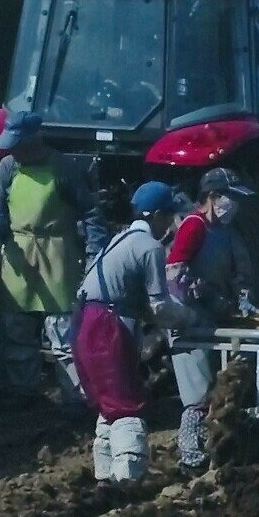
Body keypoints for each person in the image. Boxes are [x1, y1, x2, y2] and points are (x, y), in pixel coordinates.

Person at [74, 182, 189, 481]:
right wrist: (189, 317)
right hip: (106, 325)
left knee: (109, 404)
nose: (170, 224)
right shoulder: (149, 247)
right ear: (159, 215)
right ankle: (128, 482)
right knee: (126, 407)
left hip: (83, 321)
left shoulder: (118, 240)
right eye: (169, 217)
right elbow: (159, 306)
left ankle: (105, 480)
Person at [0, 116, 96, 404]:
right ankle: (23, 391)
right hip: (18, 257)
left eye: (17, 146)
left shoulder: (64, 168)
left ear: (34, 142)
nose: (13, 152)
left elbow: (90, 213)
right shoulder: (8, 168)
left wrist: (95, 251)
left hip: (58, 255)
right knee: (16, 329)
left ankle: (75, 398)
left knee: (63, 331)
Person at [162, 168, 255, 471]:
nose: (235, 206)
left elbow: (240, 268)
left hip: (215, 319)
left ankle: (214, 444)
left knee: (219, 387)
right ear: (213, 197)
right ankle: (190, 453)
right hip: (189, 319)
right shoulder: (194, 226)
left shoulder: (227, 231)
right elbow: (175, 273)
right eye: (230, 198)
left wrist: (243, 296)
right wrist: (207, 295)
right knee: (198, 392)